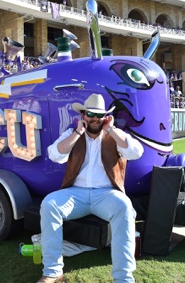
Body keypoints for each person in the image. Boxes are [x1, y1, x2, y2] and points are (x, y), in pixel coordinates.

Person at [38, 94, 144, 283]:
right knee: (49, 204)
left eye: (99, 114)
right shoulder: (73, 133)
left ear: (105, 117)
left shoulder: (114, 135)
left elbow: (136, 152)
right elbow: (55, 154)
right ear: (83, 115)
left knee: (125, 207)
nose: (95, 118)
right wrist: (77, 133)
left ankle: (123, 278)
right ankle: (53, 272)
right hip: (75, 193)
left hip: (106, 194)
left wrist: (111, 129)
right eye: (91, 113)